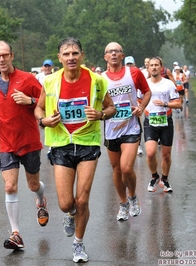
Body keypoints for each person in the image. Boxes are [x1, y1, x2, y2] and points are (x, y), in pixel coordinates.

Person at [35, 37, 116, 263]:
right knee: (66, 203)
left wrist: (100, 114)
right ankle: (70, 215)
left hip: (88, 142)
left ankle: (78, 244)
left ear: (82, 55)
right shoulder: (50, 81)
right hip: (60, 144)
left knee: (82, 200)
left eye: (75, 53)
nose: (71, 57)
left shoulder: (97, 81)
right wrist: (44, 121)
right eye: (66, 54)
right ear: (59, 57)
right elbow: (39, 109)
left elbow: (111, 107)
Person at [0, 40, 49, 250]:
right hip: (7, 143)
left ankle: (41, 200)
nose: (1, 59)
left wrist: (30, 100)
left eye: (4, 55)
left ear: (11, 56)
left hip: (29, 142)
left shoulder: (27, 79)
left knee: (32, 185)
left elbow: (45, 101)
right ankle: (16, 234)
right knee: (10, 186)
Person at [102, 42, 151, 221]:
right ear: (105, 57)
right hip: (111, 129)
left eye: (117, 51)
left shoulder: (134, 73)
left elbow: (146, 92)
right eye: (110, 52)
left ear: (122, 55)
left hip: (131, 127)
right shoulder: (100, 78)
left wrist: (141, 107)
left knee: (126, 167)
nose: (113, 54)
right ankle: (123, 204)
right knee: (116, 170)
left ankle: (133, 197)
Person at [144, 57, 182, 193]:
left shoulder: (168, 84)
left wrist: (165, 104)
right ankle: (154, 176)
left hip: (166, 121)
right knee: (150, 153)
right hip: (150, 121)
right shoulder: (144, 84)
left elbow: (178, 103)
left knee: (166, 155)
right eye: (151, 65)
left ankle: (164, 180)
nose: (154, 67)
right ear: (148, 68)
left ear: (161, 68)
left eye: (156, 65)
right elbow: (138, 101)